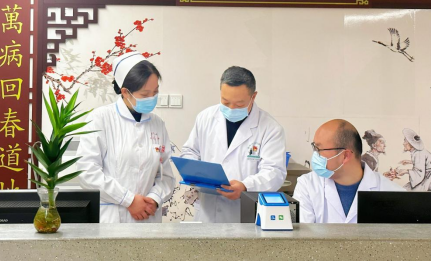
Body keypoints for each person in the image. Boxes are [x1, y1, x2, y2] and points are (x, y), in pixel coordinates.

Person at [76, 52, 175, 223]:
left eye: (155, 92)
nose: (152, 98)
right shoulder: (100, 118)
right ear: (125, 92)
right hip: (112, 218)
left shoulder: (157, 124)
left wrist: (154, 199)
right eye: (145, 94)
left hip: (148, 217)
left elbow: (166, 175)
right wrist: (128, 200)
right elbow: (87, 171)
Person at [181, 66, 286, 223]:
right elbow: (190, 151)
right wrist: (195, 172)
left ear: (253, 96)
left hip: (244, 213)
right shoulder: (205, 118)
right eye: (226, 102)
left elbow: (274, 172)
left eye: (239, 104)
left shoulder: (270, 128)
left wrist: (245, 186)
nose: (231, 108)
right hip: (208, 211)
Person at [294, 120, 404, 224]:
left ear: (345, 156)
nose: (315, 155)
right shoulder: (307, 185)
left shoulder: (393, 194)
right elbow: (302, 235)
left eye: (319, 149)